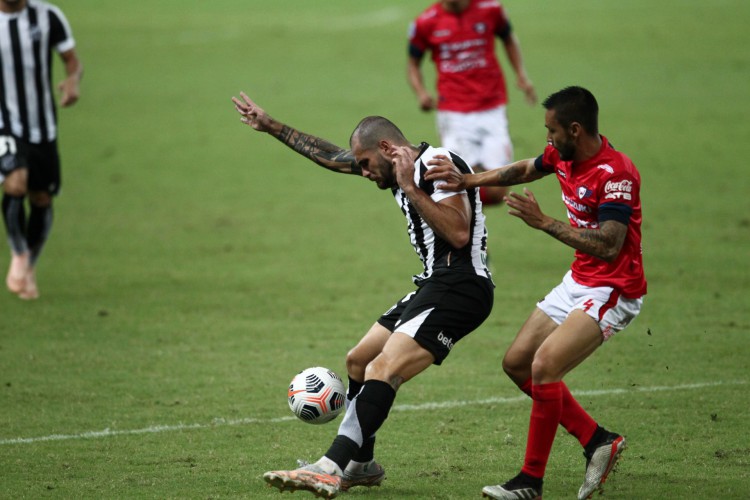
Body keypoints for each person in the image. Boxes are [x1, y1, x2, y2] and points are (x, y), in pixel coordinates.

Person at [232, 91, 495, 498]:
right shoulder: (396, 168)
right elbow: (333, 156)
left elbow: (459, 233)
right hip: (434, 283)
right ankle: (362, 465)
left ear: (388, 148)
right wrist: (272, 127)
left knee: (382, 369)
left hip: (461, 286)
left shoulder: (435, 165)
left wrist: (409, 186)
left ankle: (329, 466)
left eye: (368, 164)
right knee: (360, 359)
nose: (365, 173)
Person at [425, 86, 646, 499]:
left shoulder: (616, 174)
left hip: (614, 288)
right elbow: (525, 169)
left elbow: (610, 244)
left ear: (575, 130)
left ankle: (530, 482)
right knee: (517, 364)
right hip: (579, 281)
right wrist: (469, 179)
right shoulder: (563, 156)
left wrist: (544, 223)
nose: (548, 140)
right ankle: (598, 439)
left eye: (552, 131)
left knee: (545, 365)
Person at [407, 0, 537, 207]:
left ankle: (459, 210)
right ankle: (454, 222)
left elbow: (508, 38)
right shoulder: (426, 22)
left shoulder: (491, 9)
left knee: (497, 192)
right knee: (459, 181)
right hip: (454, 112)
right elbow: (413, 63)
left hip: (492, 107)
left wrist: (521, 74)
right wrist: (421, 93)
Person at [0, 0, 82, 300]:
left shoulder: (47, 16)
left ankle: (29, 266)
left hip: (43, 126)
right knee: (15, 180)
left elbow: (71, 60)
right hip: (4, 123)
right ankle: (19, 254)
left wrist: (73, 81)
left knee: (41, 198)